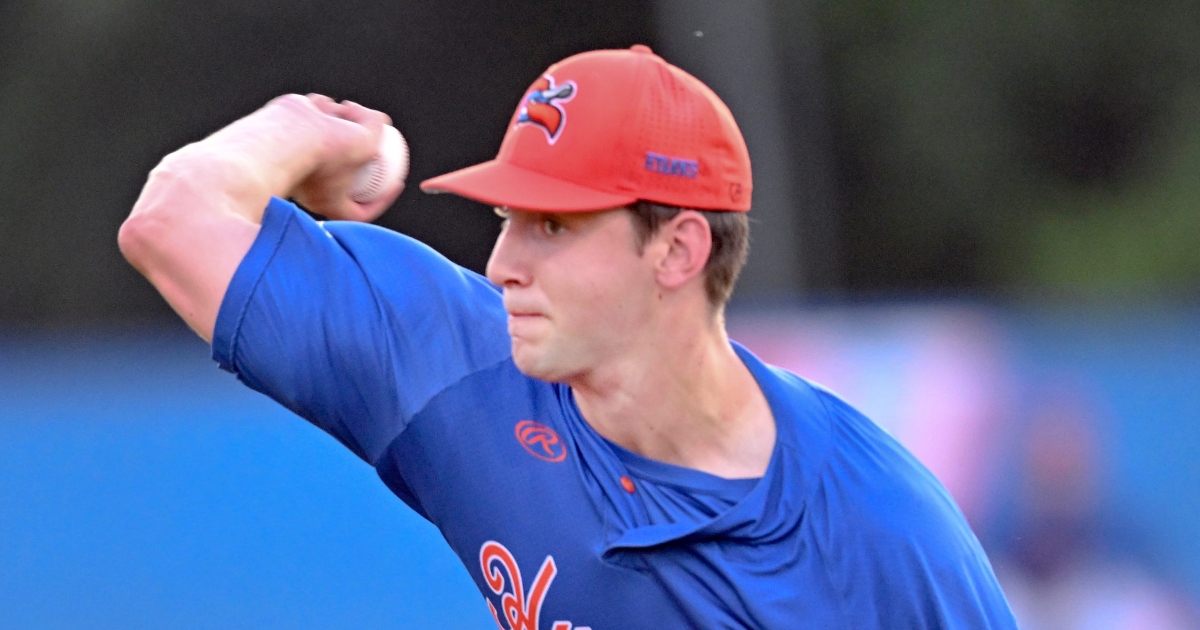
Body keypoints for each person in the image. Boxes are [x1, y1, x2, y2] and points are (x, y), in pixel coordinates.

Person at [119, 45, 1016, 629]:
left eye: (553, 225)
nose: (503, 263)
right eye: (510, 216)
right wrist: (297, 127)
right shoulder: (457, 364)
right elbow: (170, 221)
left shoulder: (881, 535)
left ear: (678, 249)